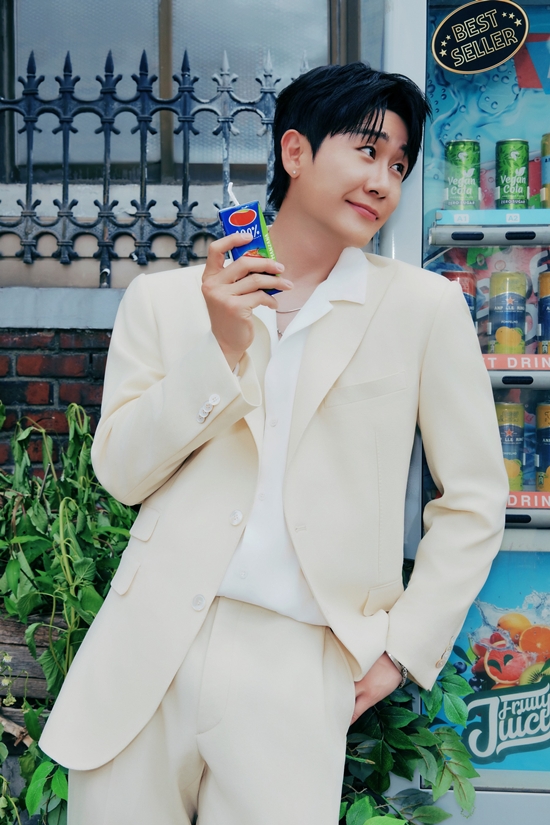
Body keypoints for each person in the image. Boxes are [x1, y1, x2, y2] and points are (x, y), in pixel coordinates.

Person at [40, 62, 508, 825]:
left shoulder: (424, 310)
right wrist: (221, 349)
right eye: (367, 151)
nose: (383, 180)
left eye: (399, 165)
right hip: (147, 650)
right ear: (295, 151)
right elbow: (120, 471)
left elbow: (475, 499)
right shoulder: (166, 301)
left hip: (297, 661)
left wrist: (402, 649)